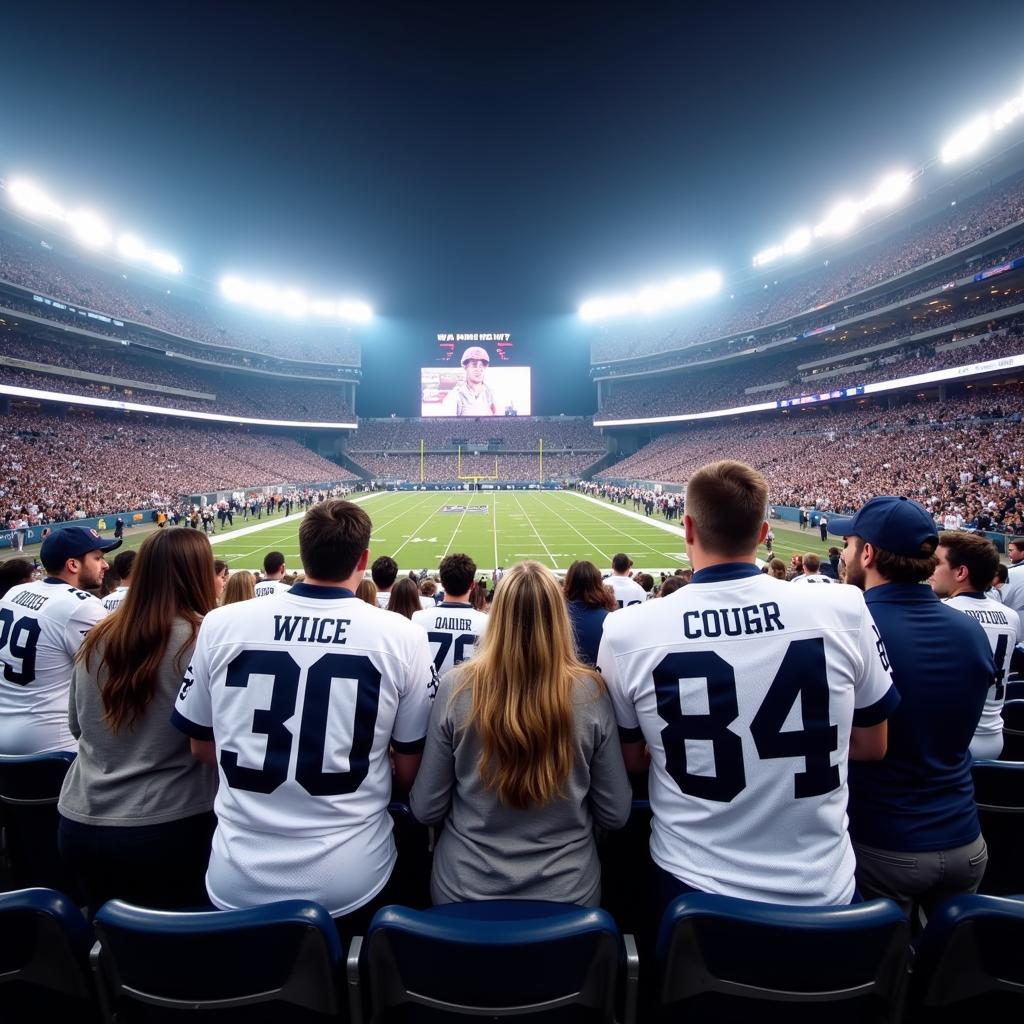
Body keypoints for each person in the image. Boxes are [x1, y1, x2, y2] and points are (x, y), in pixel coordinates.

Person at [599, 461, 897, 911]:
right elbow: (873, 745)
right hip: (824, 892)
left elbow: (633, 760)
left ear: (688, 529)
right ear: (763, 532)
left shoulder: (627, 631)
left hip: (693, 893)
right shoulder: (844, 607)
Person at [173, 499, 435, 936]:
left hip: (235, 875)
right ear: (363, 560)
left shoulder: (220, 624)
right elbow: (409, 768)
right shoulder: (401, 634)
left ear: (302, 550)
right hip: (351, 876)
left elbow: (201, 746)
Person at [410, 561, 631, 905]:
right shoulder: (591, 692)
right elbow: (615, 812)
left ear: (496, 618)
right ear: (560, 620)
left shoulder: (456, 687)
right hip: (569, 894)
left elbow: (426, 808)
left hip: (465, 890)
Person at [831, 496, 993, 919]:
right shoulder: (969, 628)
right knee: (950, 974)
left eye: (848, 544)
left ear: (867, 553)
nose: (844, 553)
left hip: (884, 840)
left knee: (884, 973)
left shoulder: (850, 626)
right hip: (965, 837)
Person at [57, 529, 219, 911]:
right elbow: (215, 743)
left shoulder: (98, 635)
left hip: (82, 817)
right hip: (169, 824)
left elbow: (77, 725)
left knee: (113, 947)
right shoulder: (203, 637)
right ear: (196, 572)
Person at [0, 527, 119, 754]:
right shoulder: (81, 606)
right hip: (49, 744)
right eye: (97, 558)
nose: (105, 565)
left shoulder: (16, 592)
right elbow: (113, 676)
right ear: (73, 565)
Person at [930, 530, 1019, 760]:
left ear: (960, 572)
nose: (931, 569)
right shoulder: (1010, 617)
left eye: (937, 563)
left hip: (953, 741)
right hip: (994, 734)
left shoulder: (944, 613)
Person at [412, 553, 489, 677]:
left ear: (441, 583)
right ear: (472, 585)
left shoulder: (418, 618)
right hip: (468, 693)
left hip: (429, 694)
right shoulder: (487, 622)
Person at [563, 560, 616, 666]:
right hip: (598, 679)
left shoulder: (555, 615)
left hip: (561, 680)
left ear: (569, 582)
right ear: (597, 583)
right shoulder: (609, 620)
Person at [440, 346, 497, 417]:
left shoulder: (491, 394)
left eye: (481, 365)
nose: (478, 369)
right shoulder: (455, 396)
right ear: (465, 367)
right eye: (474, 365)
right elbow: (446, 425)